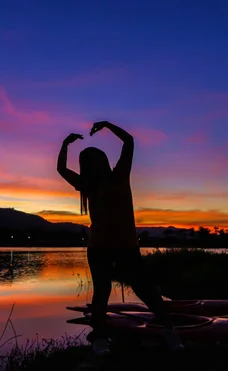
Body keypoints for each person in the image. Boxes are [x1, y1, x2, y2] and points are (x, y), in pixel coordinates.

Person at [57, 120, 184, 355]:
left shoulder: (119, 175)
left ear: (102, 161)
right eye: (86, 161)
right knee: (101, 293)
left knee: (145, 290)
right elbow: (62, 170)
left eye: (92, 159)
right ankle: (99, 338)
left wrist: (107, 124)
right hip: (99, 249)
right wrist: (65, 144)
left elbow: (129, 141)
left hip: (126, 247)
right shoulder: (87, 186)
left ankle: (169, 329)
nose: (89, 163)